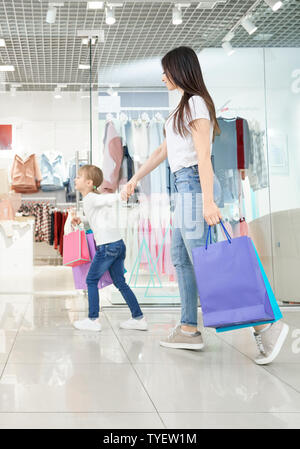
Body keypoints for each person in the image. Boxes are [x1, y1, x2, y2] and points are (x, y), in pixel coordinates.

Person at [121, 46, 289, 365]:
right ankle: (188, 328)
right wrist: (134, 179)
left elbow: (202, 156)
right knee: (182, 259)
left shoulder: (196, 103)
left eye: (166, 71)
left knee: (208, 263)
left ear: (181, 70)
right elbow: (161, 152)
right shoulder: (182, 108)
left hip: (195, 189)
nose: (162, 77)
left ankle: (266, 326)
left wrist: (208, 201)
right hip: (184, 188)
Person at [72, 164, 147, 332]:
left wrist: (120, 195)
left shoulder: (92, 198)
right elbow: (97, 217)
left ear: (89, 182)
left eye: (78, 177)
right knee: (120, 282)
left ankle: (93, 320)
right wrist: (82, 220)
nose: (75, 179)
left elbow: (105, 199)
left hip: (107, 247)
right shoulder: (91, 200)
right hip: (118, 245)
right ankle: (138, 318)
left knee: (91, 280)